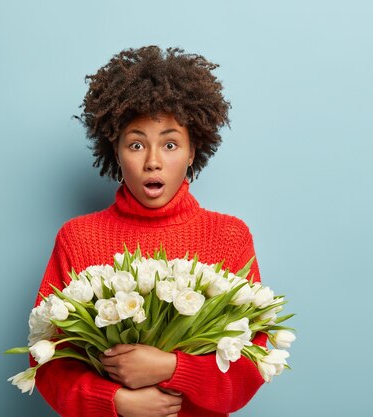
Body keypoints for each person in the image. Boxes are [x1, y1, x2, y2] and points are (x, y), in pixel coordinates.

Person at [31, 46, 268, 417]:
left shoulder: (230, 237)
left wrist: (172, 368)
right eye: (136, 144)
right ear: (116, 150)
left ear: (193, 151)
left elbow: (250, 367)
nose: (153, 161)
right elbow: (48, 361)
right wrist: (114, 401)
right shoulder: (78, 238)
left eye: (170, 144)